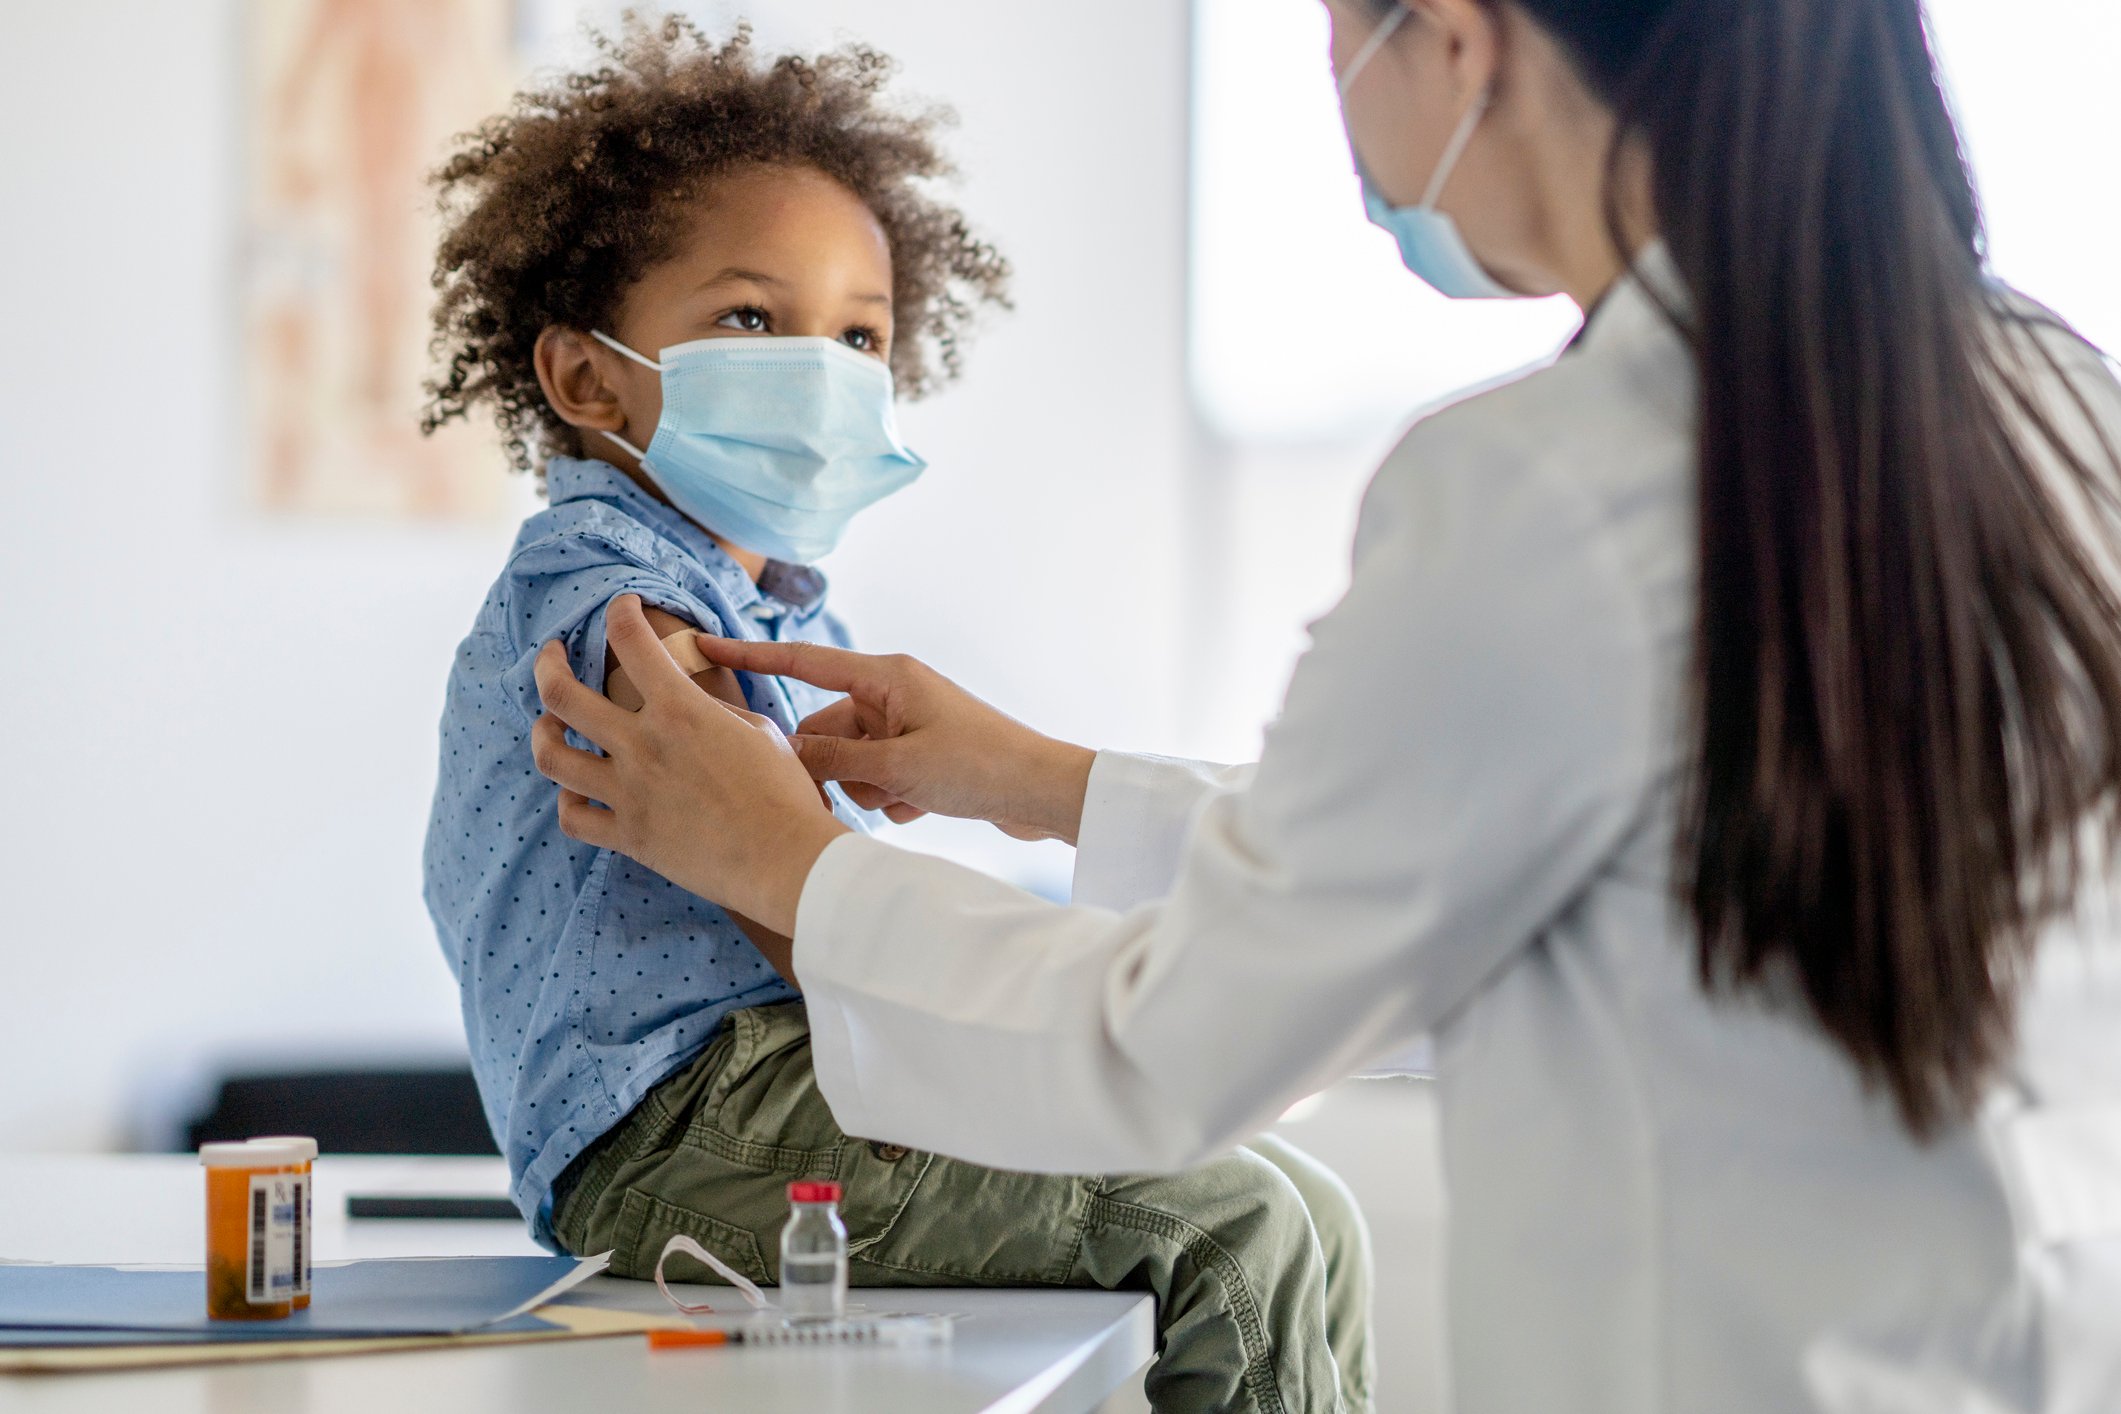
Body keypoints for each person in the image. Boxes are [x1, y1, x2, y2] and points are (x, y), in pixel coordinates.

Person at [524, 0, 2121, 1410]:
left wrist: (793, 866)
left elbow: (1163, 1042)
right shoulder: (2055, 400)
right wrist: (1051, 781)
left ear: (1454, 39)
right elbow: (1603, 850)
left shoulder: (1542, 488)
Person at [417, 18, 1376, 1413]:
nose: (822, 371)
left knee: (1300, 1198)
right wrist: (1057, 1052)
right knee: (1235, 1224)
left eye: (858, 334)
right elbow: (796, 903)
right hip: (684, 1125)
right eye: (750, 318)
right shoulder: (613, 594)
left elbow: (837, 903)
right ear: (585, 377)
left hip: (781, 1086)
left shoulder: (783, 606)